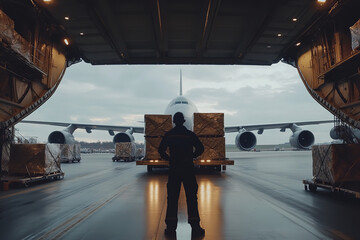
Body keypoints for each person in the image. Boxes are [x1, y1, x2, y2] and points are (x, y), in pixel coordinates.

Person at [158, 112, 205, 237]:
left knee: (172, 198)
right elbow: (201, 148)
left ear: (174, 121)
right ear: (184, 121)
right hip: (188, 169)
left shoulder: (169, 135)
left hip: (174, 169)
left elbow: (160, 150)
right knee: (191, 198)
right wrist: (192, 156)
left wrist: (169, 158)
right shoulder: (190, 135)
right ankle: (195, 226)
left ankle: (171, 228)